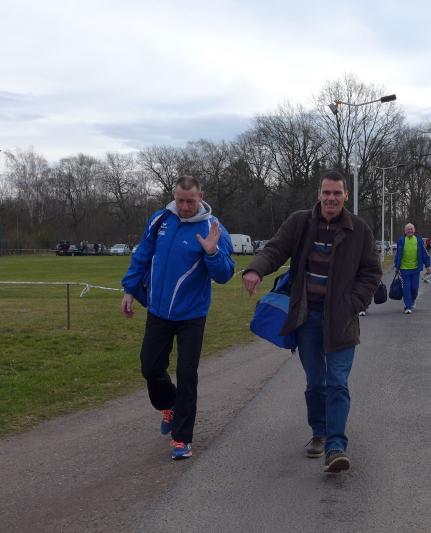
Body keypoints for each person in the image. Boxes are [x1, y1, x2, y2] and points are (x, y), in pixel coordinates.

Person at [242, 170, 381, 474]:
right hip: (306, 318)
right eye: (326, 192)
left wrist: (353, 303)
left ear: (346, 196)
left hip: (341, 320)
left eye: (337, 193)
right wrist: (255, 269)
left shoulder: (359, 229)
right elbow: (275, 249)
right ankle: (319, 431)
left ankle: (336, 446)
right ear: (319, 194)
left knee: (337, 382)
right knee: (316, 382)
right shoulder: (300, 222)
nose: (331, 198)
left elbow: (371, 272)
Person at [120, 175, 235, 461]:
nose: (184, 207)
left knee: (186, 375)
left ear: (200, 197)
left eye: (190, 201)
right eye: (180, 200)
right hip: (158, 311)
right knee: (150, 367)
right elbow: (142, 256)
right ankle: (170, 404)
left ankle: (182, 439)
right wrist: (129, 289)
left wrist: (212, 252)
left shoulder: (213, 228)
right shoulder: (160, 219)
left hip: (192, 315)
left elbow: (225, 274)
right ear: (174, 196)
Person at [394, 223, 431, 314]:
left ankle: (413, 300)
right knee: (406, 288)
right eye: (408, 229)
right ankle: (407, 306)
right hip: (404, 269)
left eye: (411, 229)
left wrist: (428, 265)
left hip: (415, 269)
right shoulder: (401, 240)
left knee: (414, 288)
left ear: (414, 230)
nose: (410, 231)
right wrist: (397, 266)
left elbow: (424, 253)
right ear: (405, 231)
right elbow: (398, 254)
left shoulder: (418, 240)